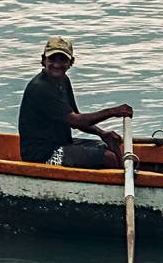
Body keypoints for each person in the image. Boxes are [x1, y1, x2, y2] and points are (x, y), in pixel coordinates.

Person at [17, 35, 133, 168]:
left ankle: (121, 177)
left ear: (71, 62)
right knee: (109, 158)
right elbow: (75, 120)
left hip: (62, 143)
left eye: (63, 60)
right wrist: (112, 112)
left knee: (111, 145)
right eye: (52, 59)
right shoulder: (41, 87)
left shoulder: (63, 80)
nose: (57, 64)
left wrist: (101, 133)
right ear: (43, 60)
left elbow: (76, 119)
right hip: (42, 155)